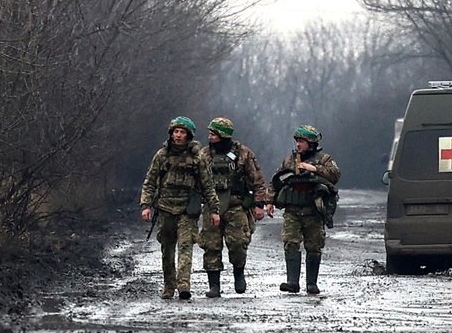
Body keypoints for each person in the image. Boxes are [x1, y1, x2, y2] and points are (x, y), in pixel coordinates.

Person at [138, 116, 222, 300]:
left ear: (188, 136)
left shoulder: (197, 158)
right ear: (171, 134)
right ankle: (169, 285)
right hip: (166, 208)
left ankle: (184, 284)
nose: (178, 135)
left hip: (187, 209)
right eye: (176, 132)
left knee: (186, 246)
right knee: (167, 249)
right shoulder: (162, 156)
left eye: (182, 132)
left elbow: (207, 186)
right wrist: (146, 205)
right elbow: (150, 182)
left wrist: (214, 210)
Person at [197, 117, 270, 296]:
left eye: (213, 134)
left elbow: (257, 180)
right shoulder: (204, 155)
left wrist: (259, 204)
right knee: (211, 245)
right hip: (212, 207)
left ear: (223, 135)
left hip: (237, 205)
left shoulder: (243, 153)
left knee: (238, 243)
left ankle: (239, 272)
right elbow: (195, 180)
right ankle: (214, 285)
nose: (210, 136)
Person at [268, 124, 340, 295]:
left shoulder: (324, 159)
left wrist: (314, 169)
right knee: (290, 242)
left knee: (314, 246)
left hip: (313, 210)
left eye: (301, 141)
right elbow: (276, 181)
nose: (298, 145)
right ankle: (292, 282)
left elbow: (335, 175)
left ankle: (311, 283)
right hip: (292, 210)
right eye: (297, 141)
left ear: (311, 143)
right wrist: (269, 201)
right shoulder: (290, 160)